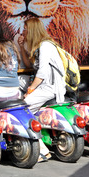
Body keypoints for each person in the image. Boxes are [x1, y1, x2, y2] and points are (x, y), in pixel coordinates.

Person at [18, 17, 66, 161]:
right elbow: (29, 66)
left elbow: (42, 73)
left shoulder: (46, 46)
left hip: (50, 88)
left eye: (25, 29)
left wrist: (30, 91)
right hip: (45, 86)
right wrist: (21, 47)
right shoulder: (40, 46)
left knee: (22, 110)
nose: (23, 31)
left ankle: (41, 150)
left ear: (32, 30)